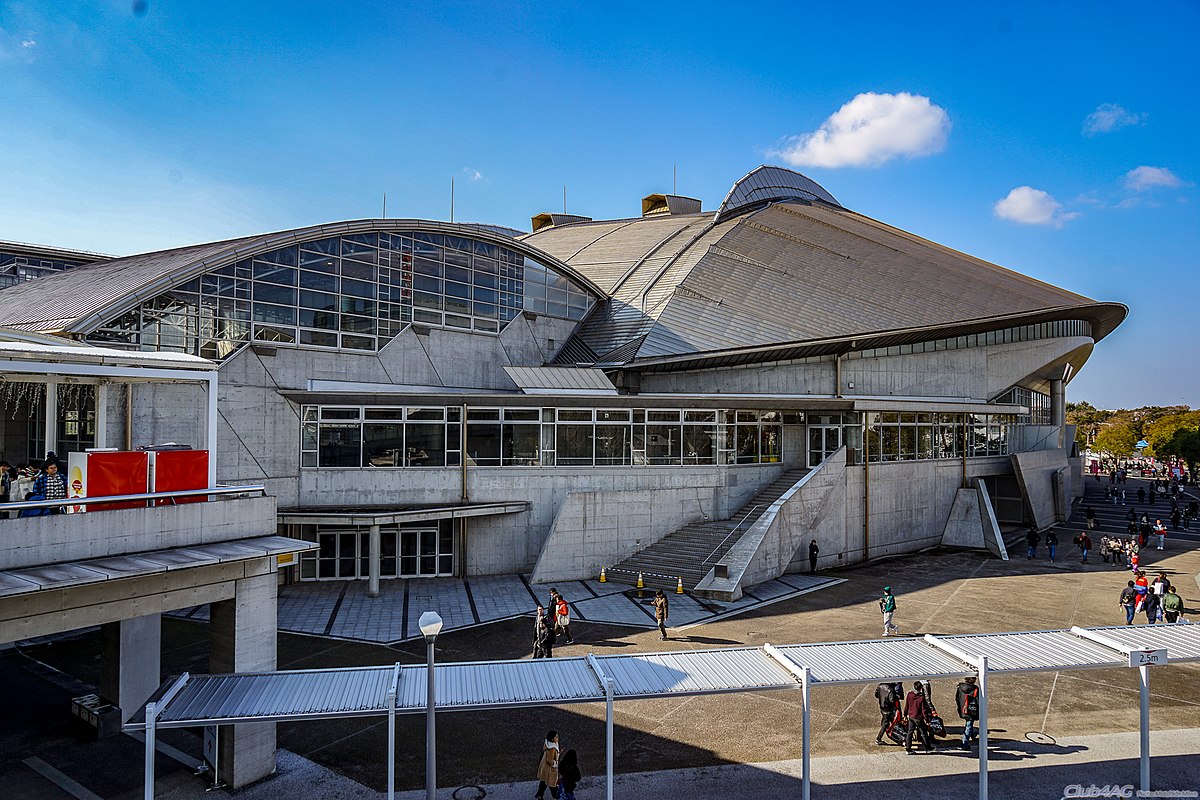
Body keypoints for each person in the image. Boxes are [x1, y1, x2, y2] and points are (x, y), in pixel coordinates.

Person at [904, 682, 935, 753]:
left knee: (910, 732)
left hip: (911, 716)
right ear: (921, 688)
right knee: (924, 733)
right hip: (918, 718)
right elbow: (923, 710)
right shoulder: (921, 698)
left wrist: (905, 715)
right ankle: (928, 748)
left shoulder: (910, 695)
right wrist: (927, 720)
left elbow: (907, 705)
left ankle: (908, 748)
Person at [954, 676, 980, 750]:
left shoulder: (960, 687)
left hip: (962, 708)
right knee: (969, 725)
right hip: (971, 710)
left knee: (969, 724)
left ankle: (972, 734)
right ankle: (964, 744)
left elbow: (957, 698)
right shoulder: (975, 689)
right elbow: (978, 701)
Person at [874, 681, 902, 745]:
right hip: (888, 709)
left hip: (882, 707)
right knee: (886, 724)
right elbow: (892, 700)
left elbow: (876, 695)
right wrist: (896, 697)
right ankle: (878, 739)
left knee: (885, 721)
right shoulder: (890, 689)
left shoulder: (879, 686)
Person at [535, 731, 561, 800]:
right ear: (552, 739)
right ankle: (556, 797)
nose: (558, 738)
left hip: (544, 767)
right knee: (552, 783)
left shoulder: (547, 743)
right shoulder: (552, 749)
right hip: (549, 769)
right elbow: (549, 760)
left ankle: (539, 795)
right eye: (556, 737)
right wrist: (554, 764)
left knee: (543, 782)